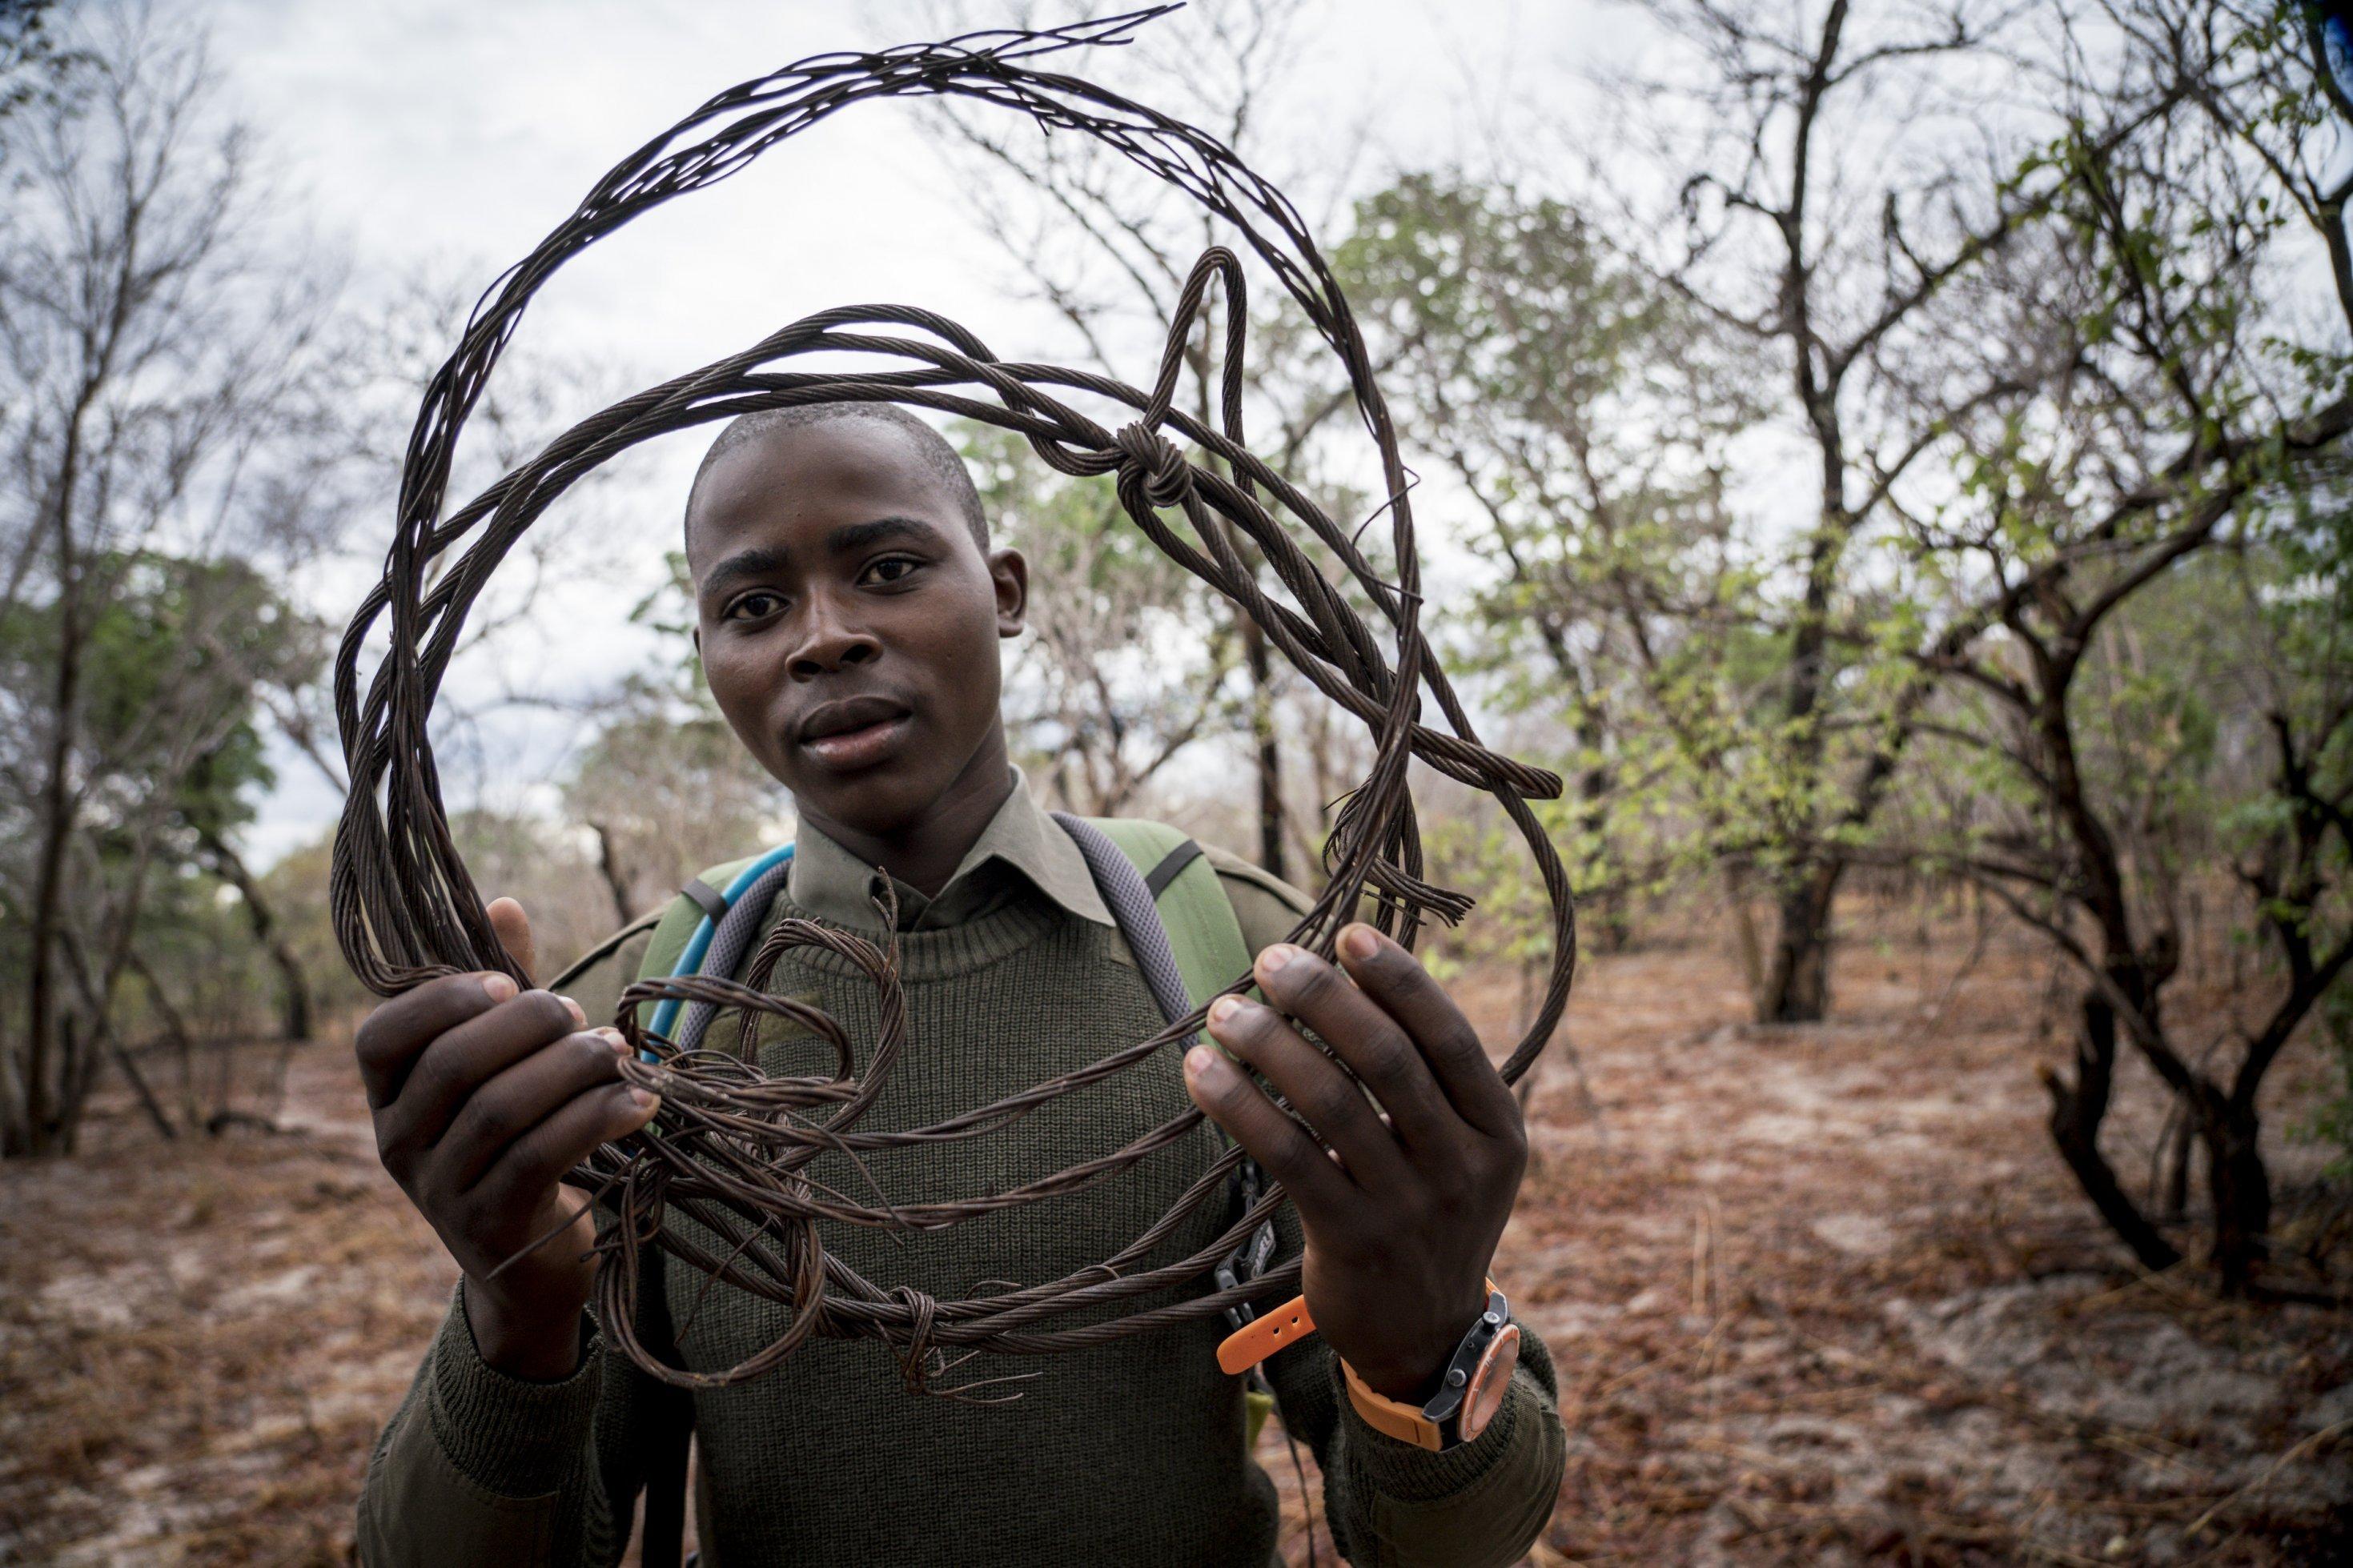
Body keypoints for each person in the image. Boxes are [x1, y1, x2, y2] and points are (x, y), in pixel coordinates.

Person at [351, 404, 1568, 1567]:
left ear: (1006, 589)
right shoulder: (639, 1018)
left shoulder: (1229, 951)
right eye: (755, 603)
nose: (822, 635)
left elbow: (1449, 1542)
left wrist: (1427, 1352)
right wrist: (511, 1317)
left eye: (886, 568)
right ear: (712, 654)